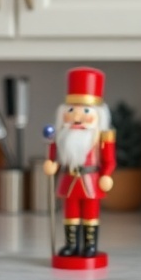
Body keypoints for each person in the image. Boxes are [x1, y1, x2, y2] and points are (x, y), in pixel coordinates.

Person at [44, 67, 115, 260]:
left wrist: (107, 174)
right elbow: (54, 155)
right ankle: (71, 245)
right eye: (71, 110)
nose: (77, 117)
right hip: (69, 180)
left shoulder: (102, 136)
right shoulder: (61, 135)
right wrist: (52, 164)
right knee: (71, 214)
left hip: (91, 180)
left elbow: (109, 159)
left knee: (91, 214)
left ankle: (90, 246)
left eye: (85, 110)